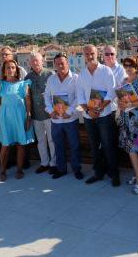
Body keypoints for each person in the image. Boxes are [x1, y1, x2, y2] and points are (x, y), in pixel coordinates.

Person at [77, 44, 120, 186]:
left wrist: (100, 108)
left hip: (105, 115)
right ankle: (98, 173)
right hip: (89, 117)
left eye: (92, 54)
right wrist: (88, 111)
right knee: (94, 146)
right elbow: (80, 96)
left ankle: (114, 174)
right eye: (87, 54)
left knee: (108, 146)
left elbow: (112, 92)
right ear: (84, 56)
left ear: (97, 54)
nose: (90, 56)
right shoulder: (82, 74)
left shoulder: (106, 71)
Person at [0, 60, 34, 181]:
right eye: (8, 68)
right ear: (4, 71)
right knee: (5, 145)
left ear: (16, 70)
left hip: (20, 117)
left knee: (21, 144)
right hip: (5, 118)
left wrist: (29, 116)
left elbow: (28, 102)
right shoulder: (0, 85)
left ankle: (19, 169)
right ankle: (2, 170)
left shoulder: (24, 84)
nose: (10, 70)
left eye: (12, 67)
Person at [44, 52, 83, 180]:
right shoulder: (51, 79)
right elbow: (47, 97)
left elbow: (79, 98)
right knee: (58, 145)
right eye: (57, 64)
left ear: (67, 63)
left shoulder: (76, 78)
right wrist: (50, 110)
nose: (60, 65)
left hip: (70, 119)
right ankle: (61, 169)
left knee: (74, 145)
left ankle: (77, 169)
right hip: (55, 120)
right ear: (55, 65)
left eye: (62, 63)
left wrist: (70, 111)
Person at [117, 57, 138, 194]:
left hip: (137, 123)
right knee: (130, 149)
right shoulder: (123, 82)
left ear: (136, 67)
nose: (128, 68)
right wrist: (121, 104)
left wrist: (130, 104)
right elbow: (120, 101)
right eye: (126, 65)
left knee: (135, 149)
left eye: (131, 65)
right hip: (125, 120)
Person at [25, 53, 57, 174]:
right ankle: (44, 163)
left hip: (49, 114)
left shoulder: (50, 74)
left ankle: (53, 163)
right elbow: (26, 96)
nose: (35, 63)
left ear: (42, 61)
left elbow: (56, 92)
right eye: (32, 61)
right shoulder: (28, 77)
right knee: (41, 140)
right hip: (35, 114)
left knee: (52, 139)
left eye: (37, 61)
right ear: (30, 63)